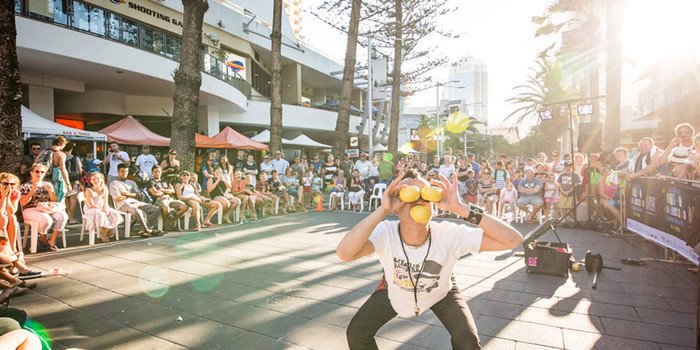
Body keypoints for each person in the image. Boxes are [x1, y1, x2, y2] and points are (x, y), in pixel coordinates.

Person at [337, 169, 523, 350]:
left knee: (468, 342)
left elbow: (513, 240)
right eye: (409, 195)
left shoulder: (448, 233)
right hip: (396, 287)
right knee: (357, 333)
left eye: (425, 196)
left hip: (441, 290)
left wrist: (463, 209)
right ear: (397, 206)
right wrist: (382, 210)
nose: (419, 200)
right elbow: (345, 253)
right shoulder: (386, 232)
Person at [19, 163, 67, 251]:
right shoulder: (25, 186)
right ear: (31, 173)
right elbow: (22, 203)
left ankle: (52, 241)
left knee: (63, 216)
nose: (39, 174)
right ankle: (43, 238)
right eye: (37, 171)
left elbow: (54, 200)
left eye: (42, 172)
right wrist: (31, 192)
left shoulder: (47, 184)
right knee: (47, 219)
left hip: (47, 208)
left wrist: (51, 193)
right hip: (31, 209)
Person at [109, 164, 163, 238]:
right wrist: (132, 194)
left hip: (136, 203)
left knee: (156, 209)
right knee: (137, 210)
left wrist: (126, 194)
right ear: (117, 172)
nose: (124, 173)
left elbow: (139, 195)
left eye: (126, 171)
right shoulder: (114, 183)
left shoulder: (131, 182)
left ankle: (144, 230)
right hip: (123, 204)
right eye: (122, 171)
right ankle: (149, 230)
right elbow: (118, 198)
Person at [83, 172, 123, 242]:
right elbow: (91, 204)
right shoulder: (88, 190)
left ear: (101, 179)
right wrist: (102, 210)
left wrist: (105, 209)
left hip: (102, 206)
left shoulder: (104, 189)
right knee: (101, 213)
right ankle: (105, 232)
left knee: (114, 213)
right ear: (90, 181)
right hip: (91, 208)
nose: (96, 180)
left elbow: (105, 202)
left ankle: (105, 231)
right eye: (94, 179)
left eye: (98, 178)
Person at [147, 166, 188, 231]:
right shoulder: (150, 182)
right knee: (165, 207)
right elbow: (155, 193)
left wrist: (162, 190)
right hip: (159, 200)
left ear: (161, 173)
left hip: (169, 199)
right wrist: (167, 192)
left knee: (184, 207)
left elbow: (173, 191)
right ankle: (166, 225)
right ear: (152, 173)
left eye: (158, 171)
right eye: (155, 172)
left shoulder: (165, 181)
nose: (157, 173)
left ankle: (171, 221)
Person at [63, 142, 82, 225]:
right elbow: (80, 170)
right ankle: (72, 218)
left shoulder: (61, 156)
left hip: (63, 181)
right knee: (73, 200)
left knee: (66, 200)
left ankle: (68, 216)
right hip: (74, 181)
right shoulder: (75, 158)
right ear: (71, 149)